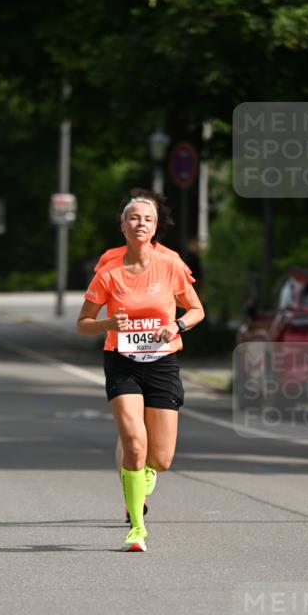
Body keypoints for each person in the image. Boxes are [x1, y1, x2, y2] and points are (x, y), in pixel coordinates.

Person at [77, 190, 205, 552]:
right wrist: (106, 325)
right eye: (133, 218)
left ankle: (145, 473)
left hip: (163, 361)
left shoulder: (171, 265)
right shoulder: (109, 270)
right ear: (122, 224)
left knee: (161, 459)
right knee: (134, 442)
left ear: (156, 227)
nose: (140, 224)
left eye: (147, 219)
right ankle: (136, 526)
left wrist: (177, 326)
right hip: (122, 362)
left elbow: (197, 310)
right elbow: (83, 322)